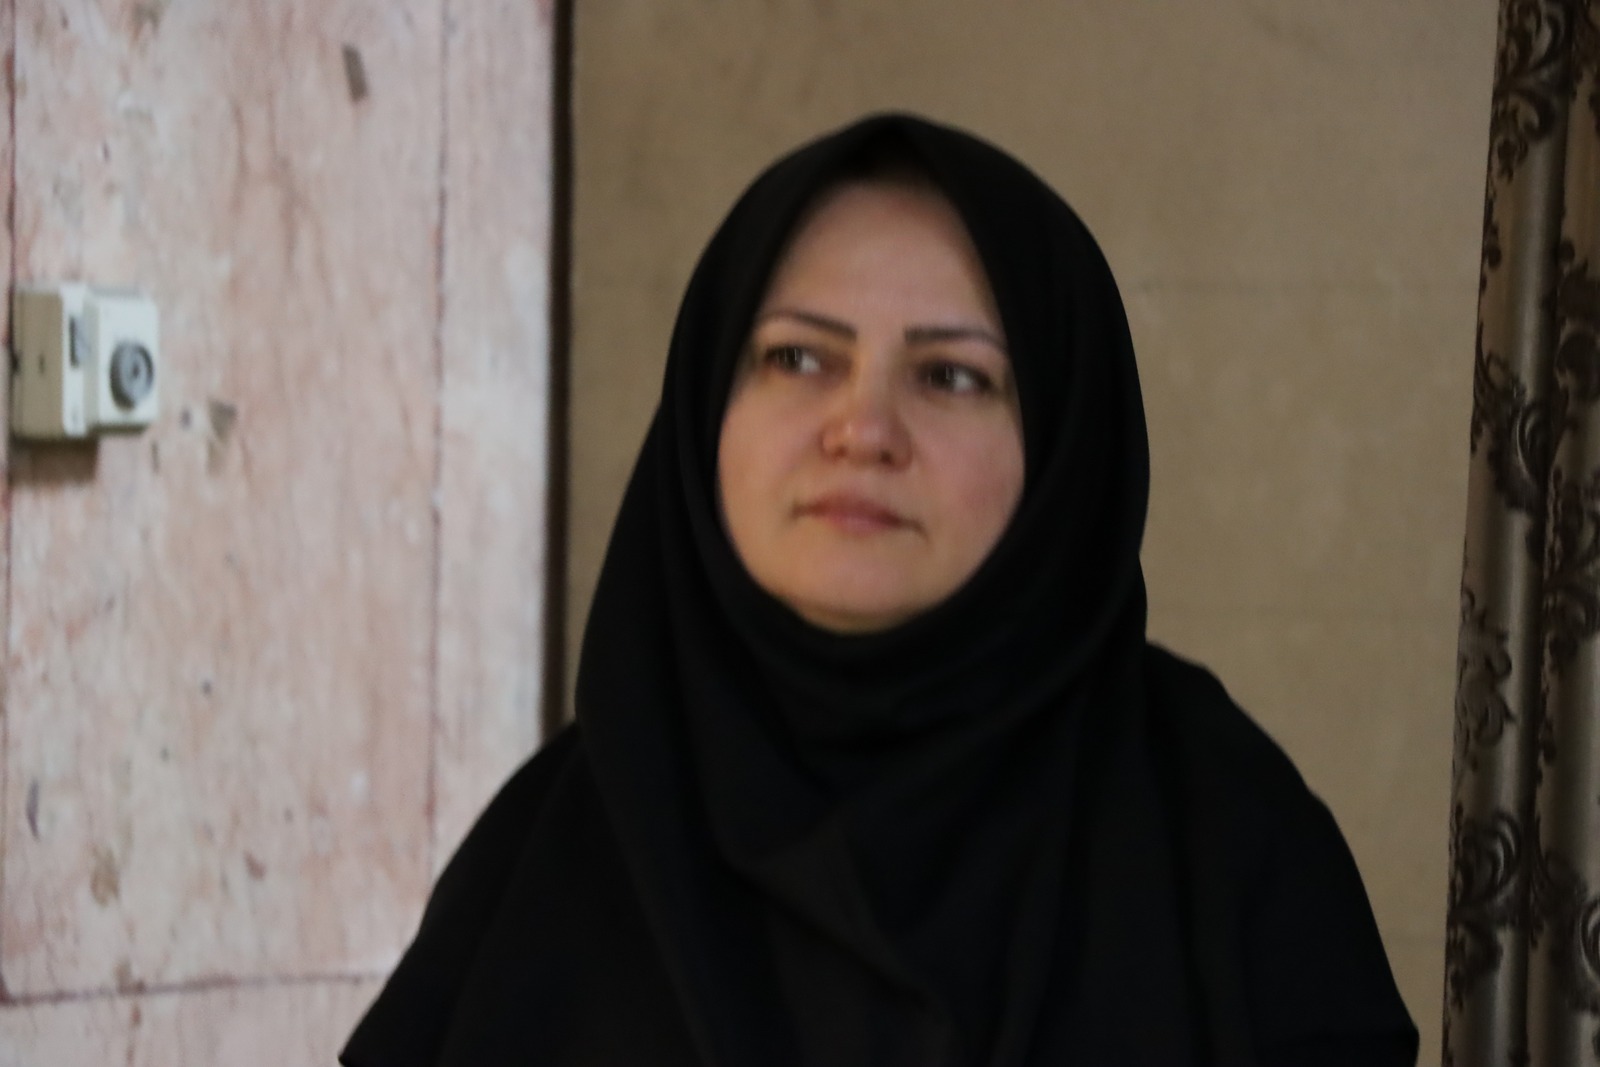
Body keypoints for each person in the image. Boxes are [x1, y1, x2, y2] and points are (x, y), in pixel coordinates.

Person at [340, 113, 1418, 1066]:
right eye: (797, 358)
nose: (861, 428)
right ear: (707, 407)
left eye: (951, 375)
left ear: (1061, 445)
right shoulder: (558, 844)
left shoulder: (1223, 836)